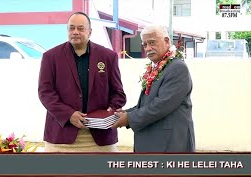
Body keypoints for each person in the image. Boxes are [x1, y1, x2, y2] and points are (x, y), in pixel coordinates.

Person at [38, 12, 126, 152]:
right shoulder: (51, 57)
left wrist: (108, 112)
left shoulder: (108, 56)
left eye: (80, 28)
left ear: (90, 32)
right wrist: (69, 114)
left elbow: (118, 94)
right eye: (71, 28)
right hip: (61, 138)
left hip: (100, 139)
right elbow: (45, 93)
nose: (75, 32)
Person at [112, 25, 195, 152]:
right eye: (145, 45)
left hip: (171, 144)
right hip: (155, 142)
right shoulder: (158, 67)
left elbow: (161, 106)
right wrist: (125, 113)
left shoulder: (177, 68)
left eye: (152, 43)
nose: (148, 48)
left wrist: (129, 118)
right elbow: (148, 103)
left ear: (167, 41)